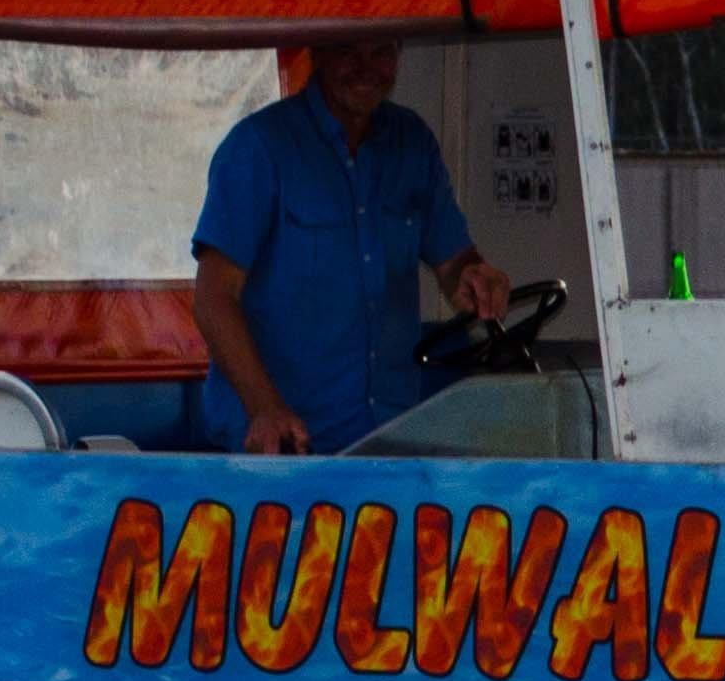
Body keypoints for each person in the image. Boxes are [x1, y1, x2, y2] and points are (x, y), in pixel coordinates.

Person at [190, 36, 510, 456]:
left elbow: (454, 263)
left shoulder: (413, 143)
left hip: (391, 443)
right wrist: (265, 411)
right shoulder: (258, 147)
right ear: (315, 53)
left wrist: (475, 278)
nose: (367, 68)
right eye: (347, 51)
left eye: (381, 52)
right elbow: (213, 298)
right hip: (285, 449)